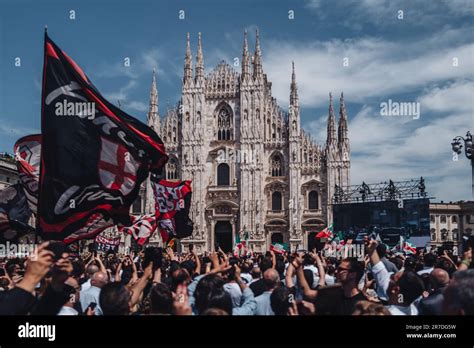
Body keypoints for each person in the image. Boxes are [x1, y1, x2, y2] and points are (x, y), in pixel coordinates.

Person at [367, 240, 424, 315]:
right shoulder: (413, 309)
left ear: (395, 289)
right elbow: (380, 271)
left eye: (392, 277)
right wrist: (372, 251)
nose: (388, 277)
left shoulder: (385, 313)